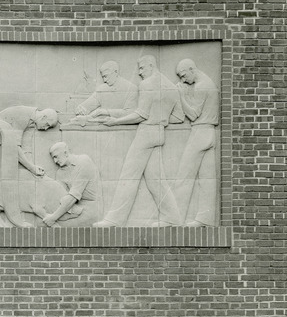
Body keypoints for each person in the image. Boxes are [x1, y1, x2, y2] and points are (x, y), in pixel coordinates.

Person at [93, 55, 184, 227]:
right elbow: (179, 117)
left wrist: (115, 121)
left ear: (151, 66)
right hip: (159, 134)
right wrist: (161, 120)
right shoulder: (171, 87)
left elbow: (141, 114)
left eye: (142, 68)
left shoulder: (147, 85)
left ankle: (114, 220)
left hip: (146, 134)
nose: (140, 73)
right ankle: (173, 219)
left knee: (129, 175)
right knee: (156, 179)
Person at [173, 58, 219, 226]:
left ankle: (174, 218)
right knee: (207, 180)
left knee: (184, 176)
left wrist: (181, 95)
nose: (183, 80)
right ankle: (205, 219)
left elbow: (192, 114)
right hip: (209, 133)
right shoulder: (208, 82)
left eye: (184, 75)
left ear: (192, 69)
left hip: (200, 132)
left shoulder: (201, 86)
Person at [42, 142, 102, 227]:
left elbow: (73, 197)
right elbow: (59, 196)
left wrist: (53, 217)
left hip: (91, 209)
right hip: (72, 210)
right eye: (53, 159)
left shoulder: (84, 161)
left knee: (60, 227)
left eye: (56, 156)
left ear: (65, 153)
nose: (55, 161)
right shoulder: (60, 173)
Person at [74, 61, 138, 119]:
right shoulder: (102, 88)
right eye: (103, 77)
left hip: (124, 129)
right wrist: (81, 109)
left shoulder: (131, 88)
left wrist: (104, 112)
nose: (104, 80)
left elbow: (130, 113)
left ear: (116, 72)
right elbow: (88, 105)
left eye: (106, 76)